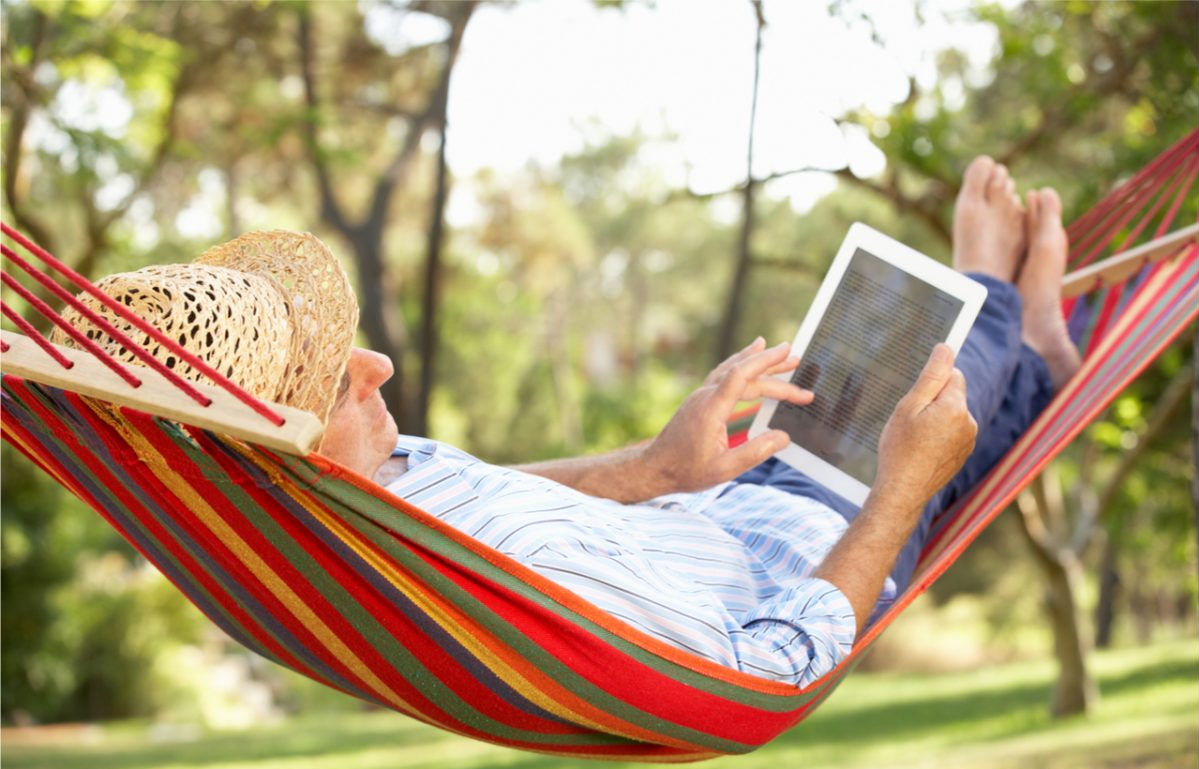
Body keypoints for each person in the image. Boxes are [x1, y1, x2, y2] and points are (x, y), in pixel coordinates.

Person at [64, 157, 1079, 688]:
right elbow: (773, 663)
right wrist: (901, 487)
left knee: (886, 364)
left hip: (730, 501)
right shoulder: (399, 561)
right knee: (947, 361)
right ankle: (1015, 314)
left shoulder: (374, 497)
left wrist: (655, 464)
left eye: (349, 344)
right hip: (820, 544)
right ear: (273, 451)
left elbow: (512, 507)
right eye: (332, 381)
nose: (376, 365)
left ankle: (1032, 349)